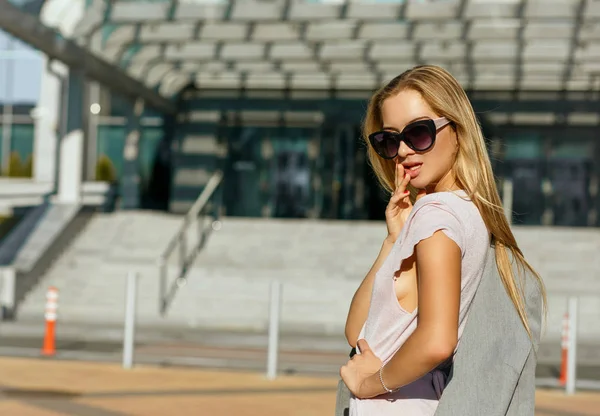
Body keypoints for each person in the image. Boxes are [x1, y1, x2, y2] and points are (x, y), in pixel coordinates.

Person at [340, 65, 546, 415]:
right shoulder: (470, 212)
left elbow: (436, 342)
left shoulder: (435, 214)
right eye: (390, 140)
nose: (403, 151)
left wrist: (369, 383)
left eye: (418, 133)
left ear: (458, 130)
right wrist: (393, 241)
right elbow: (358, 331)